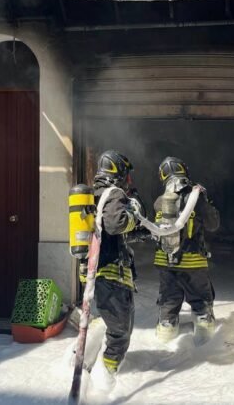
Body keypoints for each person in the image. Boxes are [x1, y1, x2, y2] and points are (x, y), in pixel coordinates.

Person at [83, 150, 143, 376]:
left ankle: (88, 360)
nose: (129, 181)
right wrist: (134, 217)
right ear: (119, 172)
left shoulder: (95, 193)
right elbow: (115, 224)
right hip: (112, 274)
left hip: (97, 272)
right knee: (120, 332)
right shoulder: (114, 193)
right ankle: (106, 376)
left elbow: (106, 232)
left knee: (111, 323)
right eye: (127, 175)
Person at [153, 156, 220, 343]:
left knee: (168, 299)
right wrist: (208, 202)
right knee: (200, 299)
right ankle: (204, 339)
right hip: (193, 262)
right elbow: (213, 224)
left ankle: (165, 334)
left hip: (165, 261)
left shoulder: (160, 201)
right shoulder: (197, 197)